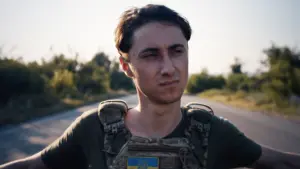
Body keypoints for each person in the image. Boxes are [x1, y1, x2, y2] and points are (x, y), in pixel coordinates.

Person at [1, 4, 300, 169]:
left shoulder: (213, 132)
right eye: (151, 54)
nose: (169, 67)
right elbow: (31, 167)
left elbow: (283, 163)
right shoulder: (94, 128)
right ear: (126, 66)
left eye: (177, 51)